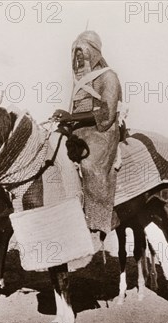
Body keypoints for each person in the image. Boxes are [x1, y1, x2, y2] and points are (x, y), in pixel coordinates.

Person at [52, 30, 122, 237]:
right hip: (79, 129)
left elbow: (106, 112)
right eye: (75, 53)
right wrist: (64, 116)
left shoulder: (108, 76)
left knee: (89, 164)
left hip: (102, 130)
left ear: (94, 53)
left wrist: (70, 118)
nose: (78, 57)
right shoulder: (78, 82)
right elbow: (77, 111)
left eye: (81, 52)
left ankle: (99, 218)